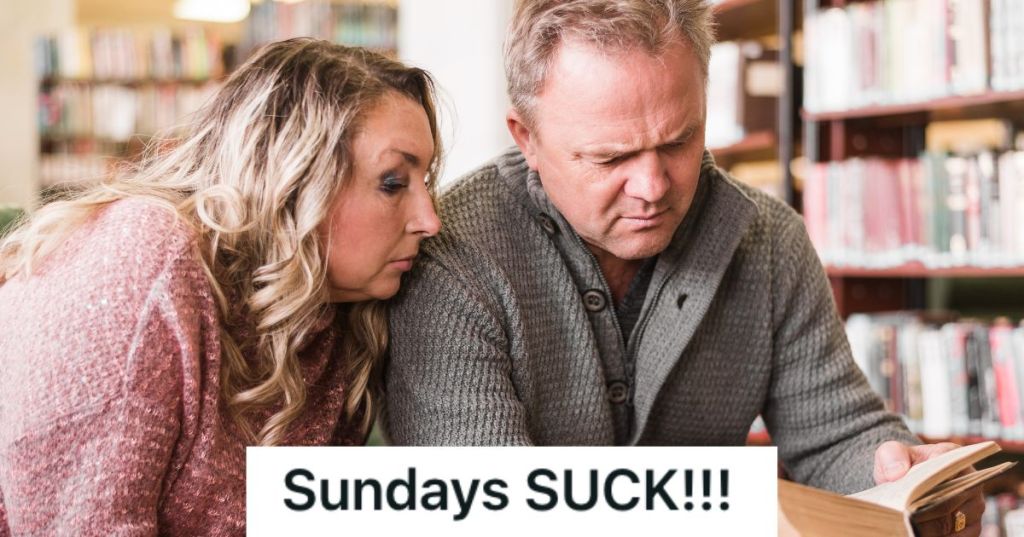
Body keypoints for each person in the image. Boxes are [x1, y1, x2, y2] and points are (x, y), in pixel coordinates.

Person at [384, 1, 983, 535]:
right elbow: (484, 506)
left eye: (679, 141)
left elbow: (835, 435)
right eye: (610, 156)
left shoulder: (770, 241)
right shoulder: (447, 254)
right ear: (527, 138)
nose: (652, 187)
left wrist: (902, 475)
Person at [0, 38, 441, 535]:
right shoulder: (143, 263)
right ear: (293, 175)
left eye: (425, 181)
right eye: (392, 182)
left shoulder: (334, 310)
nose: (430, 220)